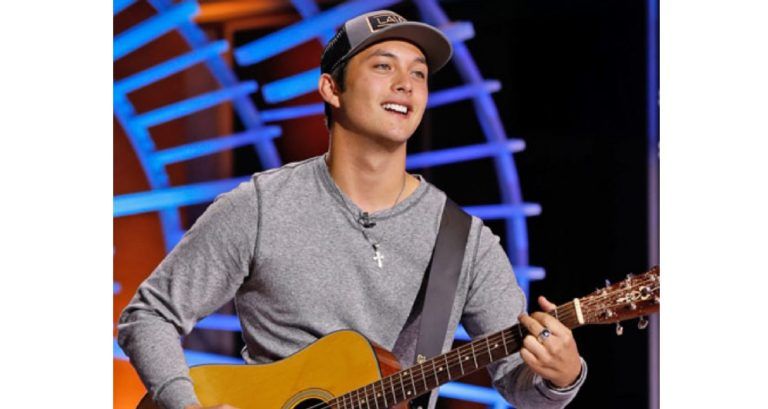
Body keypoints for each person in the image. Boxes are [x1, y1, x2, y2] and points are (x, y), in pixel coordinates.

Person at [118, 10, 587, 409]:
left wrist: (562, 377)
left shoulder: (465, 241)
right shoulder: (261, 206)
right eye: (384, 66)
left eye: (419, 74)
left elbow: (519, 385)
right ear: (331, 88)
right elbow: (148, 314)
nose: (405, 85)